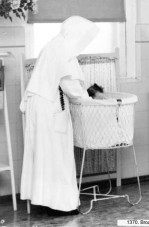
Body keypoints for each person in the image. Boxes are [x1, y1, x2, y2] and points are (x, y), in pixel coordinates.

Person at [20, 16, 99, 215]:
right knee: (57, 155)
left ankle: (47, 201)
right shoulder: (63, 50)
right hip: (50, 108)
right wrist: (91, 98)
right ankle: (61, 205)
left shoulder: (55, 44)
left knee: (45, 155)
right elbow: (71, 88)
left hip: (41, 105)